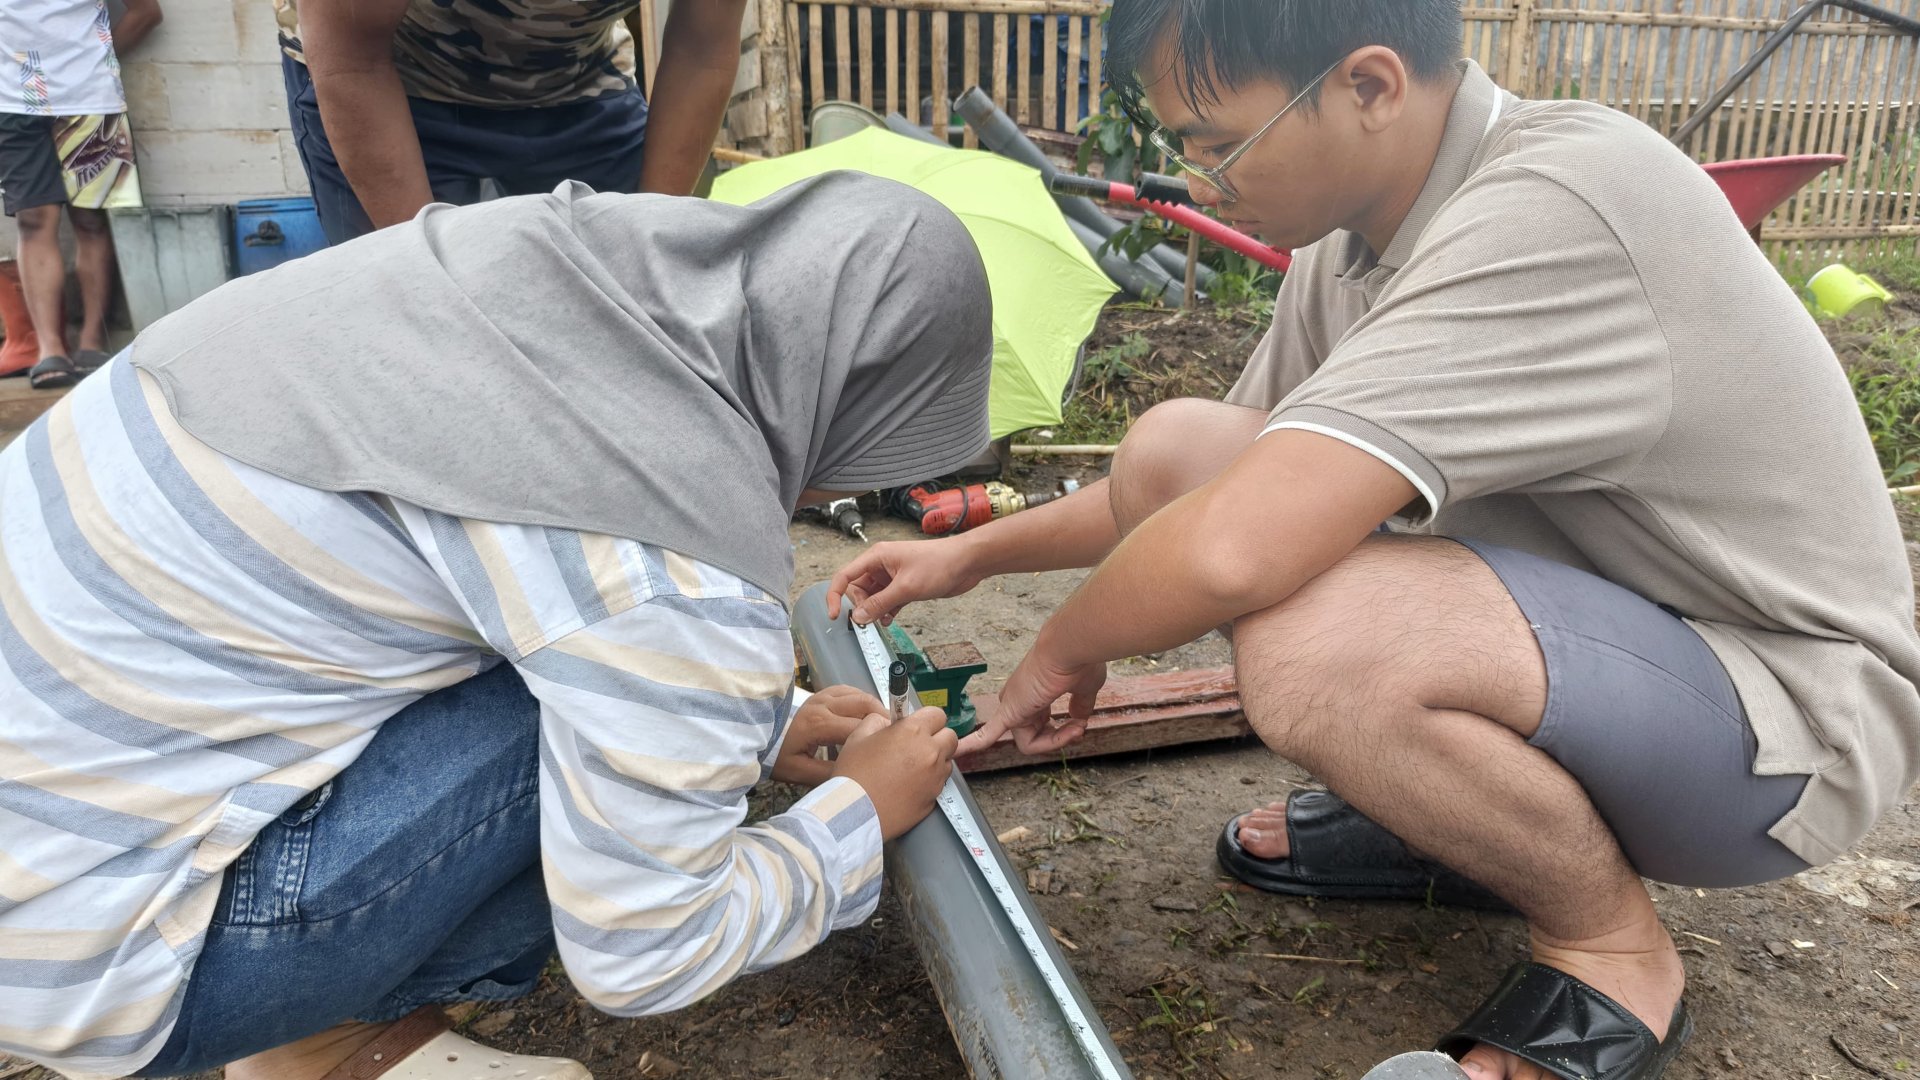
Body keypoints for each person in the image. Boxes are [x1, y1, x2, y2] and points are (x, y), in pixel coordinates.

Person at [827, 2, 1920, 1078]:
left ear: (1369, 85)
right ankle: (1466, 829)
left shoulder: (1563, 200)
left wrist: (1061, 651)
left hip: (1782, 725)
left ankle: (1612, 950)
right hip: (1621, 654)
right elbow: (1193, 490)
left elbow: (1232, 549)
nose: (1203, 181)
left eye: (1220, 144)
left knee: (1325, 648)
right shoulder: (1349, 245)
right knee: (1177, 445)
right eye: (1184, 147)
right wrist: (967, 555)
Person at [0, 172, 989, 1080]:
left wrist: (761, 720)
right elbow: (644, 952)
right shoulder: (675, 538)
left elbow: (502, 566)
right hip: (102, 963)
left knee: (594, 689)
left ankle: (308, 1034)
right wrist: (854, 815)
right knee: (605, 773)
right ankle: (319, 1042)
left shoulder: (531, 278)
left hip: (49, 854)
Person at [274, 0, 748, 245]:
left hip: (575, 76)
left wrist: (649, 237)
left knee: (631, 294)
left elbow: (700, 49)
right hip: (390, 75)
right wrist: (425, 272)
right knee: (407, 320)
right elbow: (353, 56)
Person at [0, 0, 162, 388]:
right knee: (33, 219)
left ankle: (93, 342)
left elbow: (147, 12)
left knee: (91, 219)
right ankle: (50, 349)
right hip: (11, 102)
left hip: (92, 99)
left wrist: (93, 62)